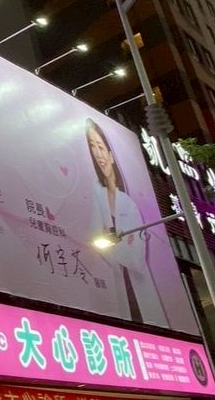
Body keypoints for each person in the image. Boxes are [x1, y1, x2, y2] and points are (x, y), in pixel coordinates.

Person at [85, 118, 167, 325]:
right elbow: (91, 238)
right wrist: (115, 243)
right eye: (92, 147)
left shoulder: (128, 204)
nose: (98, 154)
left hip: (141, 295)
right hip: (117, 293)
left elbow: (136, 260)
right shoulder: (96, 192)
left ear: (111, 155)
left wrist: (109, 244)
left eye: (101, 146)